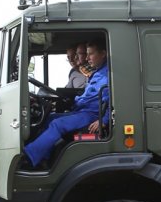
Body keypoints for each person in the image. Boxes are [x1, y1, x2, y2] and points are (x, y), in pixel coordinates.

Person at [22, 38, 110, 168]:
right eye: (86, 54)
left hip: (92, 114)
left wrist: (104, 120)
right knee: (50, 118)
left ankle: (28, 158)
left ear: (103, 54)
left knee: (58, 124)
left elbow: (113, 100)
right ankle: (43, 158)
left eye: (91, 54)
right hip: (82, 110)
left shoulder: (107, 76)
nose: (87, 58)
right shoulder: (98, 72)